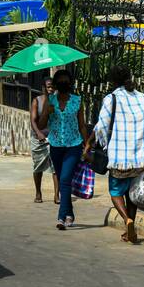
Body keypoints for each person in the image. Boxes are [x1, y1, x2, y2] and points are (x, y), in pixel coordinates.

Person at [87, 66, 144, 245]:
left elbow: (101, 126)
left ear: (112, 81)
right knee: (132, 194)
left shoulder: (112, 98)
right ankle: (129, 231)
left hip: (120, 157)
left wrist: (90, 142)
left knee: (116, 192)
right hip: (140, 157)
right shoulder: (142, 97)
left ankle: (127, 220)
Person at [44, 69, 86, 231]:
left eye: (66, 81)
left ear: (70, 83)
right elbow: (41, 124)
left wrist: (87, 145)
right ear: (55, 84)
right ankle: (70, 213)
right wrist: (46, 112)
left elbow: (82, 124)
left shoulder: (77, 101)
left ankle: (61, 217)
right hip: (55, 145)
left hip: (73, 145)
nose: (63, 83)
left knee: (65, 179)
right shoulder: (50, 101)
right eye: (60, 81)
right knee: (63, 180)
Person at [29, 76, 59, 205]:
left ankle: (57, 195)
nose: (51, 89)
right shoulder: (37, 101)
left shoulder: (58, 102)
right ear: (43, 88)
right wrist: (39, 133)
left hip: (54, 138)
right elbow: (33, 120)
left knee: (56, 168)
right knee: (38, 167)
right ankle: (38, 192)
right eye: (48, 87)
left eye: (53, 87)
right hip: (39, 139)